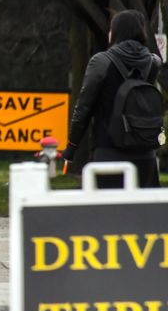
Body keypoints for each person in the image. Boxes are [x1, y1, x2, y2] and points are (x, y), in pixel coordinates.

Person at [63, 10, 163, 188]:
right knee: (143, 214)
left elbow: (83, 108)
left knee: (108, 213)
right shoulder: (153, 62)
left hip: (109, 153)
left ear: (117, 32)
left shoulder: (101, 62)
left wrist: (72, 147)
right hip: (145, 155)